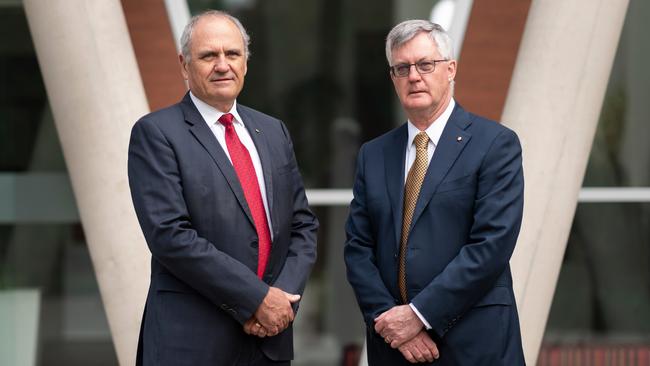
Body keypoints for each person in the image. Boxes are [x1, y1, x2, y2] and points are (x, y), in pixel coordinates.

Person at [128, 10, 318, 366]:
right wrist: (256, 299)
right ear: (184, 64)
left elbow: (302, 226)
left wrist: (280, 301)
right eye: (208, 56)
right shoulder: (157, 133)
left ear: (245, 63)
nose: (222, 65)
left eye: (232, 54)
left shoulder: (273, 131)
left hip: (268, 341)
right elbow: (170, 236)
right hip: (192, 343)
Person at [344, 20, 525, 365]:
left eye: (426, 65)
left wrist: (419, 315)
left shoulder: (495, 144)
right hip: (394, 348)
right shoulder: (374, 154)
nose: (414, 76)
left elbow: (491, 245)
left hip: (474, 344)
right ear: (393, 78)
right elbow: (358, 248)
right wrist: (391, 320)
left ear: (450, 69)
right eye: (402, 68)